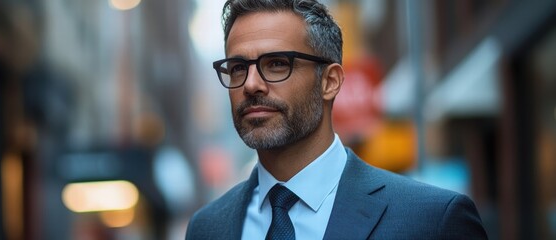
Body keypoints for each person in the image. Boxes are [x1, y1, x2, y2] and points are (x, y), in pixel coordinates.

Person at [185, 0, 488, 239]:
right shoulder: (208, 228)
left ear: (330, 81)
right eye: (238, 67)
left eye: (277, 64)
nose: (251, 84)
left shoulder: (432, 221)